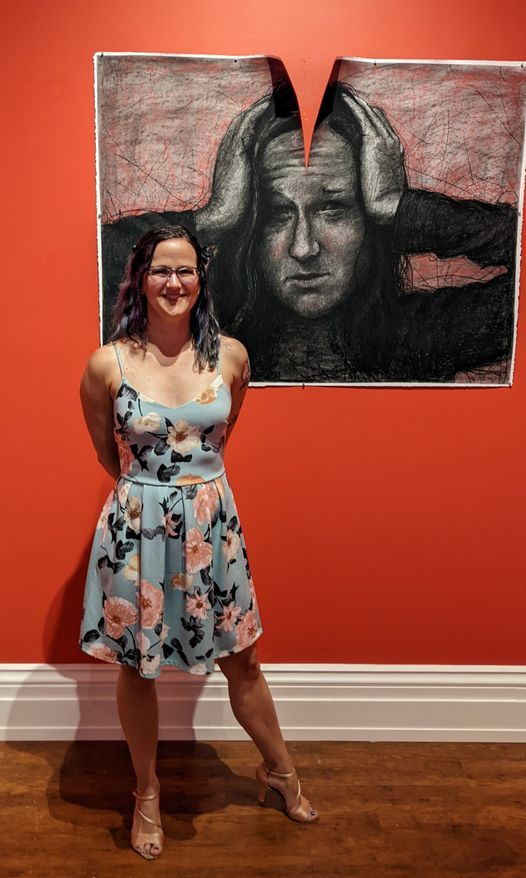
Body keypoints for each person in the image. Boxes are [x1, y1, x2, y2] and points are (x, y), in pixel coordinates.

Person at [79, 225, 319, 861]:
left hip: (213, 529)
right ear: (140, 279)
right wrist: (154, 495)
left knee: (244, 659)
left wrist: (191, 498)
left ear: (200, 278)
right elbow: (108, 453)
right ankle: (147, 792)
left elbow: (220, 435)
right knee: (138, 668)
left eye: (185, 270)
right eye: (161, 270)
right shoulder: (107, 364)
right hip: (137, 530)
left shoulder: (231, 358)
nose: (174, 282)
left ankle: (280, 770)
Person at [101, 81, 517, 383]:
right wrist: (213, 219)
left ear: (369, 222)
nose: (304, 248)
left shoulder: (417, 337)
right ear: (250, 229)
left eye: (332, 209)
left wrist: (396, 207)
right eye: (277, 214)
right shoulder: (199, 336)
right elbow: (91, 270)